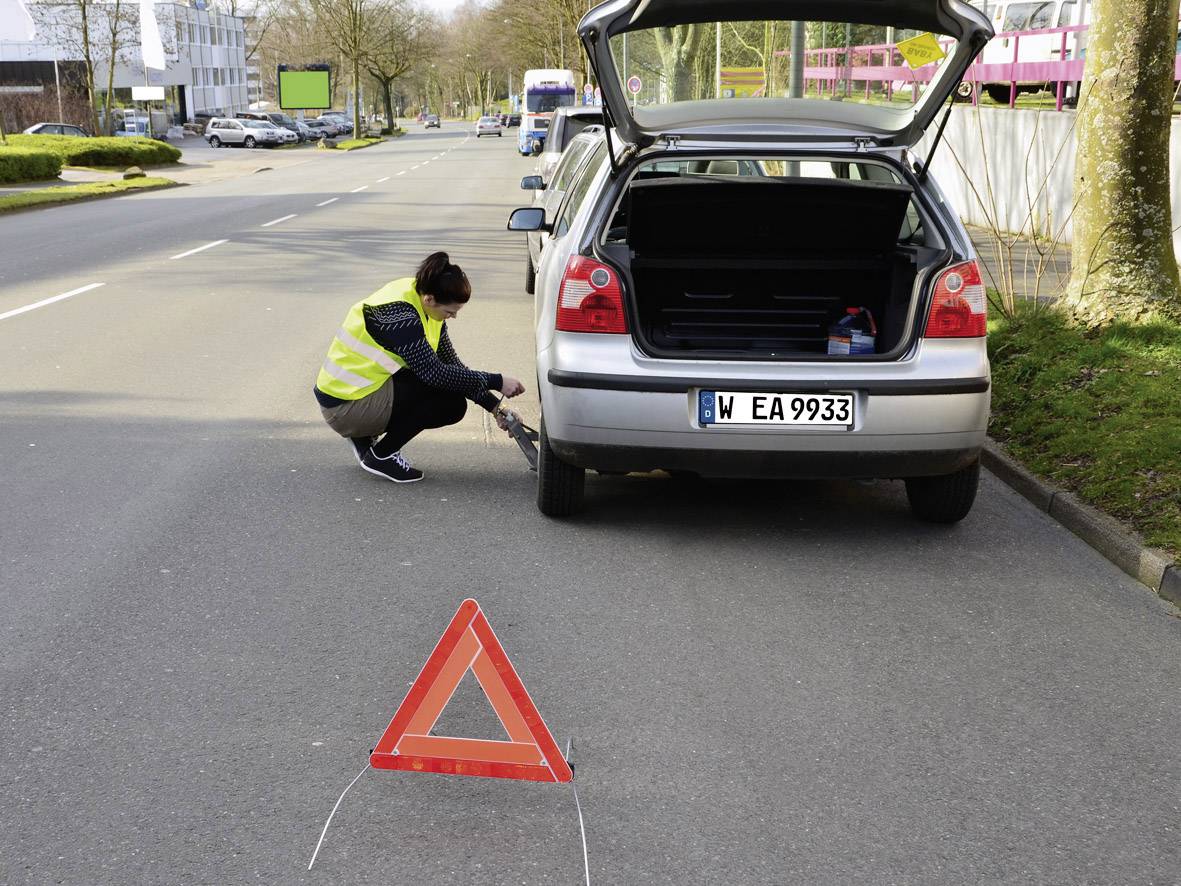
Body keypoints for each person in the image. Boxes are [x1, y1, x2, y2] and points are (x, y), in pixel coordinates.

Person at [314, 252, 525, 483]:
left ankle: (363, 436)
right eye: (450, 311)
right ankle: (381, 455)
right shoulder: (398, 315)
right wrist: (497, 381)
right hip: (345, 407)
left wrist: (496, 408)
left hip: (356, 394)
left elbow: (452, 366)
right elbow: (435, 374)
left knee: (444, 382)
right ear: (430, 300)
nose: (453, 317)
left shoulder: (421, 298)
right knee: (450, 404)